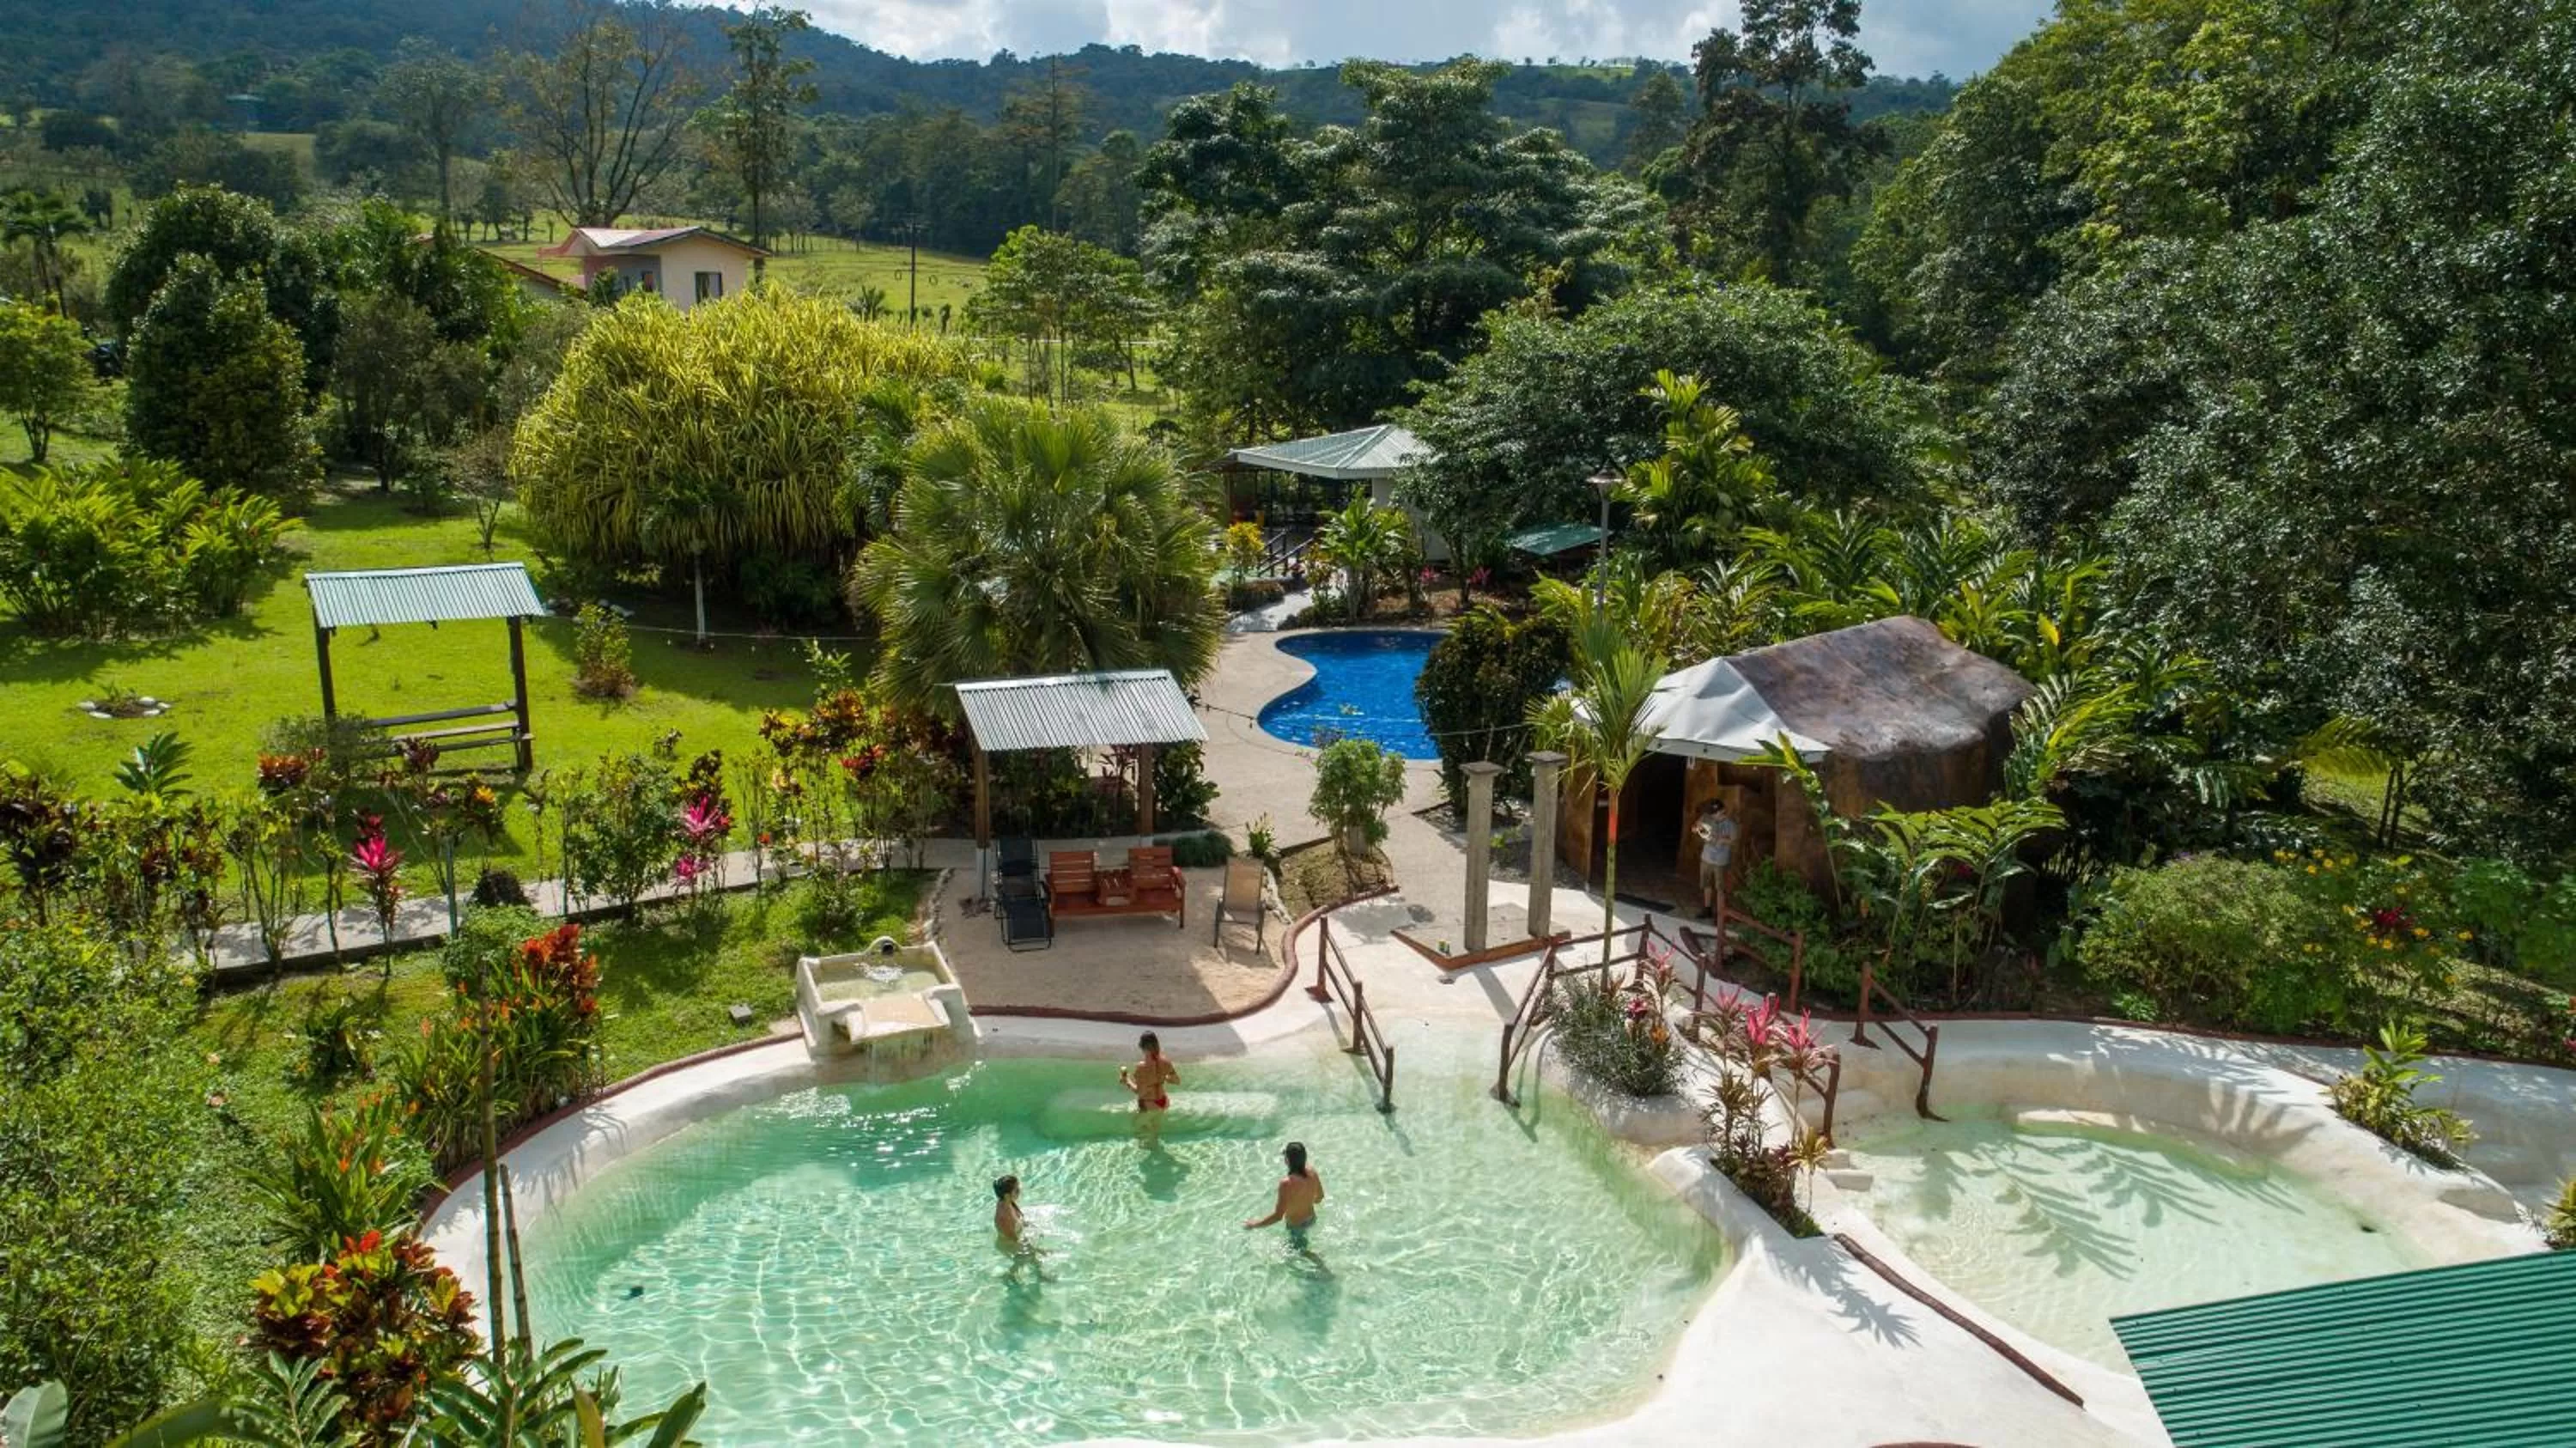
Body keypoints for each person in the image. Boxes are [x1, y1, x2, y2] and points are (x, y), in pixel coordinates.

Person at [1244, 1141, 1325, 1240]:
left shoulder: (1286, 1183)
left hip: (1296, 1226)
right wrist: (1305, 1201)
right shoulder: (1312, 1172)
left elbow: (1278, 1216)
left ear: (1287, 1160)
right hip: (1311, 1218)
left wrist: (1255, 1224)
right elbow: (1320, 1197)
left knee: (1300, 1249)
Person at [1694, 799, 1739, 922]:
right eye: (1711, 813)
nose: (1713, 815)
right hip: (1706, 857)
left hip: (1721, 861)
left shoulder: (1731, 825)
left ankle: (1721, 914)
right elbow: (1696, 827)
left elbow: (1734, 842)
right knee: (1706, 884)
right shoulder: (1706, 817)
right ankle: (1707, 909)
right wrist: (1697, 828)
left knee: (1720, 887)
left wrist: (1722, 840)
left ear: (1722, 811)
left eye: (1715, 813)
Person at [1119, 1031, 1179, 1116]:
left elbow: (1139, 1092)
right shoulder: (1166, 1062)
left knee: (1137, 1125)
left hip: (1149, 1105)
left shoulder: (1141, 1067)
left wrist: (1127, 1081)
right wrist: (1162, 1077)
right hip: (1164, 1102)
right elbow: (1177, 1081)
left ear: (1142, 1046)